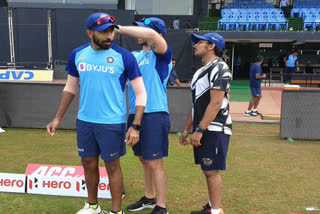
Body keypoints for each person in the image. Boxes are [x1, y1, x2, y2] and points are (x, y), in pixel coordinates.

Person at [46, 13, 147, 214]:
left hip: (111, 123)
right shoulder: (78, 54)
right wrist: (58, 117)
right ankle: (93, 206)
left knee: (112, 167)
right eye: (103, 32)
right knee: (88, 163)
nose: (109, 36)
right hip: (85, 122)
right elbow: (70, 88)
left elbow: (141, 92)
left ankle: (116, 212)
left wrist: (135, 125)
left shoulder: (124, 57)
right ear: (89, 33)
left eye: (111, 31)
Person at [117, 17, 172, 214]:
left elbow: (151, 36)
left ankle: (162, 206)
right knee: (143, 159)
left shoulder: (162, 55)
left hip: (155, 113)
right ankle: (149, 197)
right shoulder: (134, 56)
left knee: (155, 161)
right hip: (135, 113)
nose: (139, 33)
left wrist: (120, 28)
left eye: (143, 30)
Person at [180, 32, 232, 214]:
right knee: (207, 169)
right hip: (203, 127)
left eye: (199, 42)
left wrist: (200, 129)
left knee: (211, 171)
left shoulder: (220, 68)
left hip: (216, 127)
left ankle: (216, 211)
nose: (195, 45)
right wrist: (187, 129)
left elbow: (216, 102)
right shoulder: (200, 71)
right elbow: (196, 104)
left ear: (211, 46)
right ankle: (212, 207)